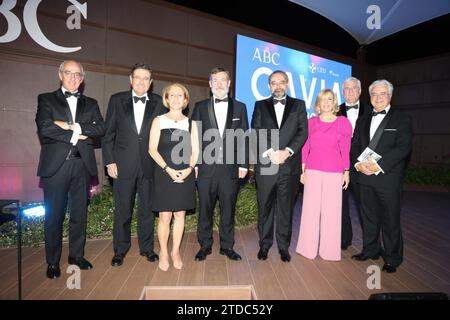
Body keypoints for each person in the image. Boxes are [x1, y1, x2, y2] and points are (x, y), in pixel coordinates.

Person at [35, 60, 105, 279]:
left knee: (79, 215)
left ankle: (76, 256)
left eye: (78, 75)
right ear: (60, 75)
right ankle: (53, 262)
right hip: (56, 166)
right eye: (69, 73)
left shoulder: (91, 103)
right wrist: (77, 135)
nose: (73, 78)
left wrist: (72, 126)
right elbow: (45, 128)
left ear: (82, 79)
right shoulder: (46, 99)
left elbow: (100, 128)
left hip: (81, 165)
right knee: (53, 216)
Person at [102, 63, 166, 267]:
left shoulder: (159, 102)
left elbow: (165, 137)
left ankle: (147, 249)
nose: (141, 81)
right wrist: (109, 160)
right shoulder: (117, 100)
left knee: (147, 210)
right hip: (123, 165)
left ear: (151, 82)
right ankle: (120, 250)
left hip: (150, 166)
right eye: (137, 77)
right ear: (130, 80)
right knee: (123, 210)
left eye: (146, 78)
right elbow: (108, 135)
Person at [351, 79, 413, 273]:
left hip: (388, 178)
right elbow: (355, 146)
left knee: (390, 220)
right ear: (369, 97)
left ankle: (393, 258)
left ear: (390, 96)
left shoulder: (402, 119)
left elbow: (403, 147)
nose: (378, 98)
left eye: (382, 94)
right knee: (368, 217)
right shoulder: (362, 119)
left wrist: (378, 165)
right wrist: (358, 164)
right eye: (375, 94)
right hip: (364, 177)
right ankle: (370, 250)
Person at [191, 67, 249, 261]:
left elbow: (243, 137)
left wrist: (243, 164)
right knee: (205, 210)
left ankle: (227, 247)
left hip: (230, 169)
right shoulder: (199, 106)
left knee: (228, 210)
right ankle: (204, 246)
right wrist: (195, 165)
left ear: (229, 83)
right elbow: (194, 137)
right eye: (215, 80)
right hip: (206, 168)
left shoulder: (240, 107)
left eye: (223, 80)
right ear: (209, 84)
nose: (219, 84)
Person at [251, 70, 308, 262]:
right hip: (266, 165)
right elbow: (256, 131)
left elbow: (303, 132)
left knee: (286, 209)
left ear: (288, 84)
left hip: (289, 166)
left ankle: (284, 247)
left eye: (281, 82)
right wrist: (270, 153)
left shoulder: (299, 105)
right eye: (274, 82)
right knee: (264, 209)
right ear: (268, 86)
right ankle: (264, 245)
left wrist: (287, 151)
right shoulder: (260, 105)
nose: (278, 86)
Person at [296, 89, 352, 261]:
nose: (326, 102)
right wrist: (302, 170)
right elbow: (305, 147)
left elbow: (345, 149)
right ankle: (307, 249)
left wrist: (346, 171)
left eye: (330, 99)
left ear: (334, 102)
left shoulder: (343, 122)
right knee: (310, 212)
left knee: (332, 214)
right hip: (312, 170)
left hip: (334, 172)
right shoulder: (311, 122)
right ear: (318, 104)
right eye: (323, 100)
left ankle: (329, 252)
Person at [149, 83, 199, 271]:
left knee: (180, 214)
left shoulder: (191, 124)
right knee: (165, 216)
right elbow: (152, 149)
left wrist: (189, 169)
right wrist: (168, 169)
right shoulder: (159, 120)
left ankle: (175, 251)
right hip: (164, 173)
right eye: (172, 95)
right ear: (167, 99)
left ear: (186, 100)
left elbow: (195, 151)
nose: (176, 99)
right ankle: (163, 251)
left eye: (180, 95)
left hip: (185, 174)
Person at [337, 77, 369, 250]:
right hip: (339, 166)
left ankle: (370, 244)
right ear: (342, 92)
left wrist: (366, 163)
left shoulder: (370, 110)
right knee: (340, 206)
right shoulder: (334, 110)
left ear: (360, 91)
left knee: (365, 206)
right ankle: (344, 239)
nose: (350, 92)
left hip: (363, 166)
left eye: (353, 88)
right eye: (346, 89)